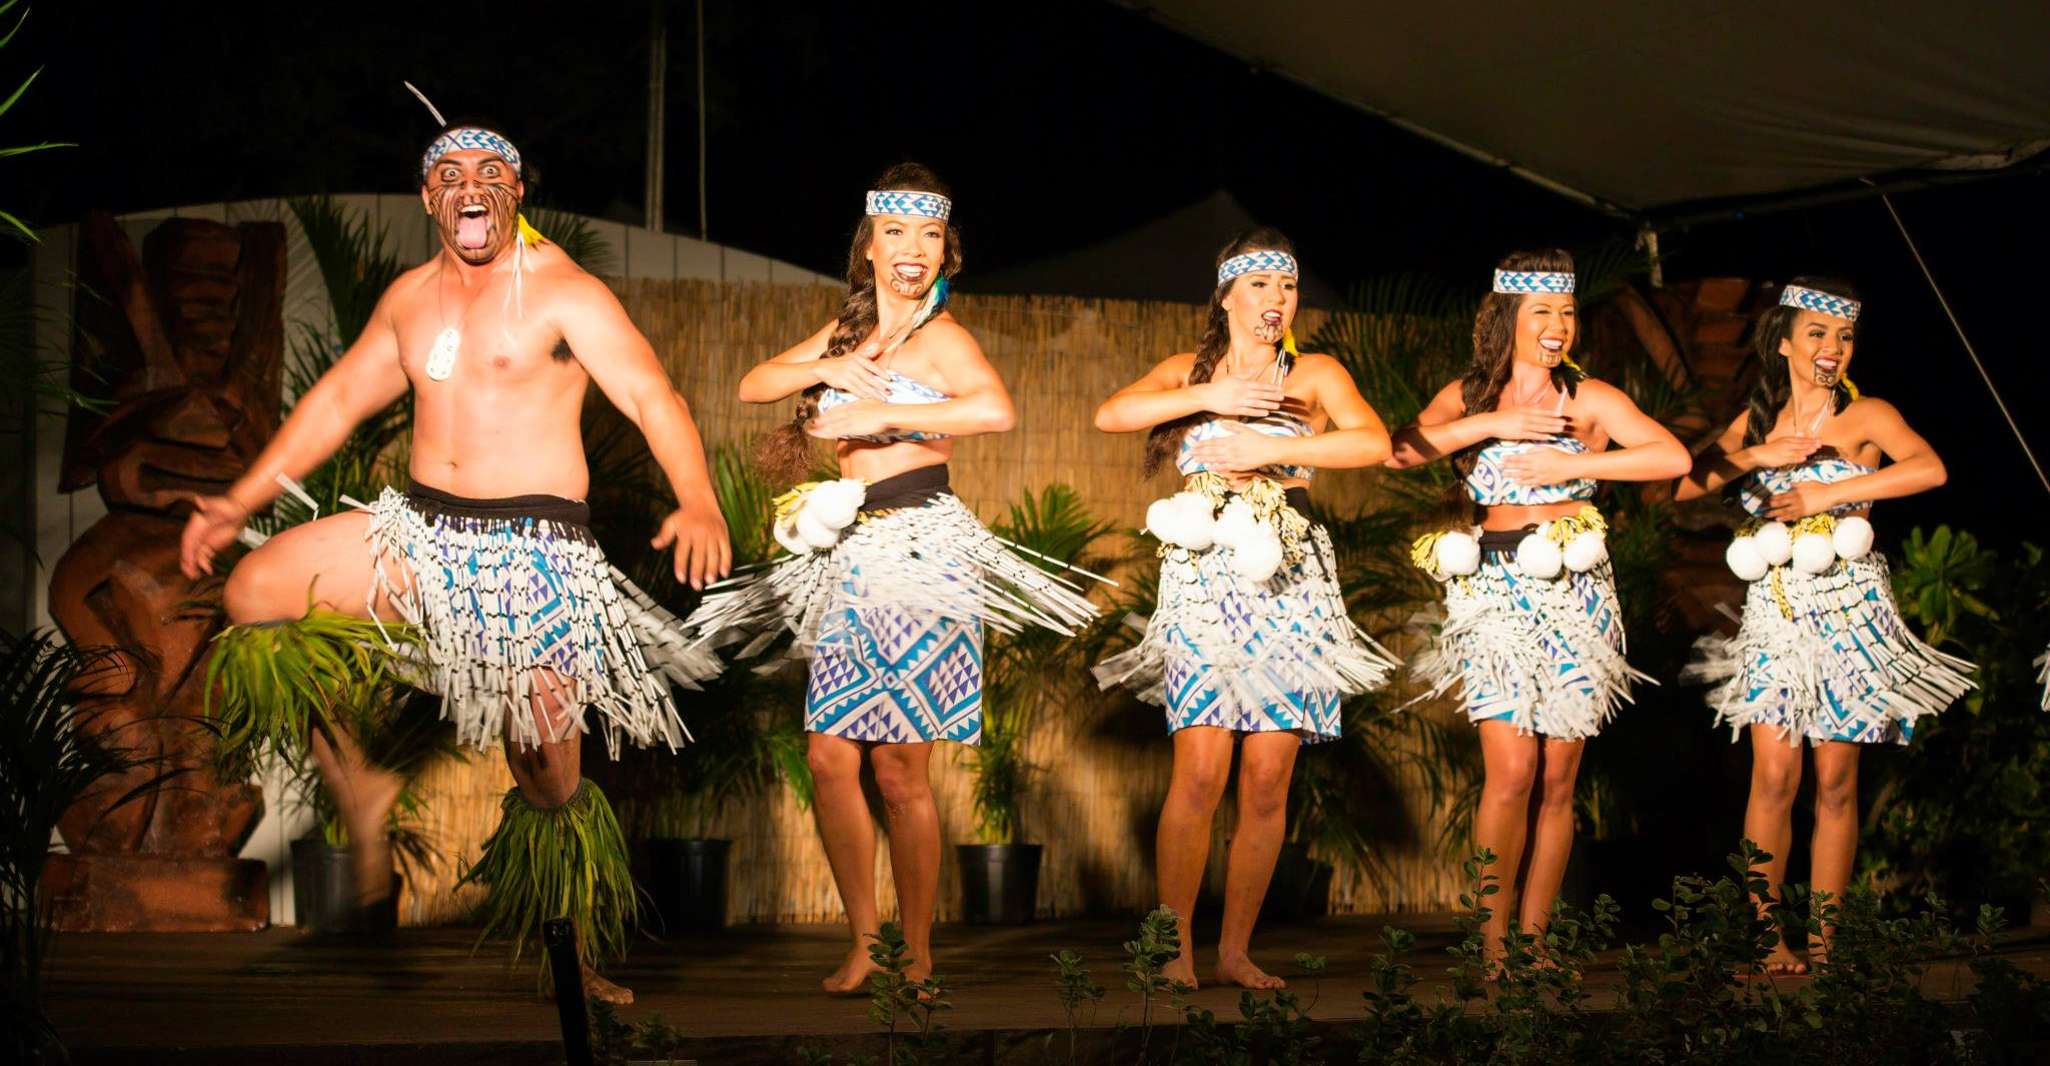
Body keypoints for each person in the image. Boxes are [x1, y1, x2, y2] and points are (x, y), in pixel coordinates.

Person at [179, 110, 731, 1004]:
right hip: (421, 535)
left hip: (537, 550)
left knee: (548, 770)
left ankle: (575, 955)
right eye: (450, 173)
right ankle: (357, 789)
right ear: (429, 197)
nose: (470, 184)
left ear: (515, 192)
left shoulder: (564, 291)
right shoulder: (408, 299)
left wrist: (697, 496)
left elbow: (650, 393)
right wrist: (238, 501)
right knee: (255, 590)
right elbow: (335, 403)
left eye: (490, 172)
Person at [704, 163, 1099, 993]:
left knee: (898, 770)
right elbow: (753, 385)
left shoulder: (944, 340)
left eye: (928, 236)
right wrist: (835, 371)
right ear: (870, 247)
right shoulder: (844, 336)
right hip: (854, 554)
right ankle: (865, 938)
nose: (912, 250)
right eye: (896, 234)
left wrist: (888, 412)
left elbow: (994, 411)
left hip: (924, 548)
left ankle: (914, 951)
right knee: (827, 759)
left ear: (943, 251)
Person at [1092, 229, 1396, 990]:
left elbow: (1373, 443)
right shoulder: (1185, 373)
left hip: (1289, 577)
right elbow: (1112, 415)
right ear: (1226, 295)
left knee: (1266, 779)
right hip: (1205, 580)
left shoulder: (1315, 374)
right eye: (1259, 286)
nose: (1275, 300)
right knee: (1199, 770)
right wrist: (1210, 397)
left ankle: (1233, 950)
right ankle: (1174, 950)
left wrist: (1276, 455)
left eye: (1287, 288)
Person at [1387, 249, 1689, 965]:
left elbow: (1671, 457)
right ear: (1508, 319)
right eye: (1543, 312)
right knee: (1512, 773)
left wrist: (1575, 464)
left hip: (1578, 594)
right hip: (1495, 593)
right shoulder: (1468, 396)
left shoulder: (1591, 400)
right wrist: (1488, 426)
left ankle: (1535, 939)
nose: (1559, 326)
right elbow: (1400, 451)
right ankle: (1492, 946)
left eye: (1568, 312)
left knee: (1559, 779)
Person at [1676, 276, 1973, 973]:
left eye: (1842, 336)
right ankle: (1766, 938)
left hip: (1849, 608)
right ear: (1783, 343)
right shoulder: (1755, 423)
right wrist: (1754, 457)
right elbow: (1685, 484)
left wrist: (1829, 492)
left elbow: (1929, 469)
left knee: (1836, 780)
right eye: (1816, 334)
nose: (1831, 348)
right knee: (1774, 775)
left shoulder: (1866, 416)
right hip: (1776, 615)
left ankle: (1828, 943)